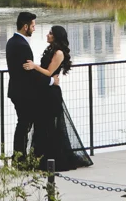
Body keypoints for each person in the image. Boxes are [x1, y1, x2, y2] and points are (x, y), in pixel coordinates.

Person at [23, 26, 93, 171]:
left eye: (50, 33)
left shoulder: (59, 53)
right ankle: (41, 158)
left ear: (56, 36)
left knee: (51, 126)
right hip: (44, 91)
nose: (47, 35)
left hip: (51, 94)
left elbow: (49, 72)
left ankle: (53, 159)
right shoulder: (50, 50)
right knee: (41, 125)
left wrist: (34, 66)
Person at [6, 12, 58, 164]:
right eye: (33, 26)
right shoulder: (22, 46)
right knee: (24, 125)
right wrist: (50, 81)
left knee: (23, 124)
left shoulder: (11, 42)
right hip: (24, 93)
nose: (34, 29)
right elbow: (30, 74)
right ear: (25, 26)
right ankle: (21, 159)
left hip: (16, 90)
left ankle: (20, 157)